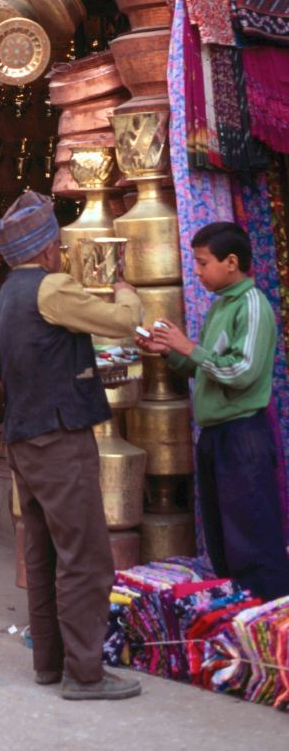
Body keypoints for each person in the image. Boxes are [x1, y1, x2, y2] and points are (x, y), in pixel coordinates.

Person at [0, 190, 143, 701]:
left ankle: (50, 665)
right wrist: (125, 292)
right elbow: (122, 324)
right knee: (86, 558)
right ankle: (85, 674)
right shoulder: (49, 289)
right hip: (58, 439)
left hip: (24, 439)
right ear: (49, 247)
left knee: (45, 553)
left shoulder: (4, 298)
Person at [148, 221, 289, 602]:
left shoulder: (251, 304)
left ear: (231, 262)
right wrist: (171, 351)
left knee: (253, 537)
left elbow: (242, 372)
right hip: (216, 436)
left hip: (242, 436)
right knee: (224, 536)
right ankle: (237, 618)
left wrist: (189, 347)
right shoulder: (221, 306)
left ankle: (270, 618)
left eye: (202, 262)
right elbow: (205, 369)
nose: (197, 271)